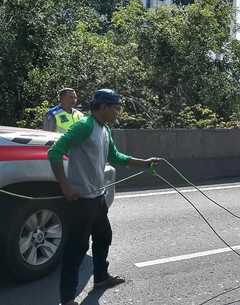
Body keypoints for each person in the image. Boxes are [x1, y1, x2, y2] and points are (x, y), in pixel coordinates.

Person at [48, 89, 162, 305]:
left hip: (98, 198)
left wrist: (145, 163)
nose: (117, 112)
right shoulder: (84, 126)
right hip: (80, 200)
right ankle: (67, 298)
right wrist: (65, 187)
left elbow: (115, 156)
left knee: (103, 237)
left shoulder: (105, 129)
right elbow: (54, 152)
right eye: (116, 108)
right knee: (76, 249)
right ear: (105, 106)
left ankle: (100, 277)